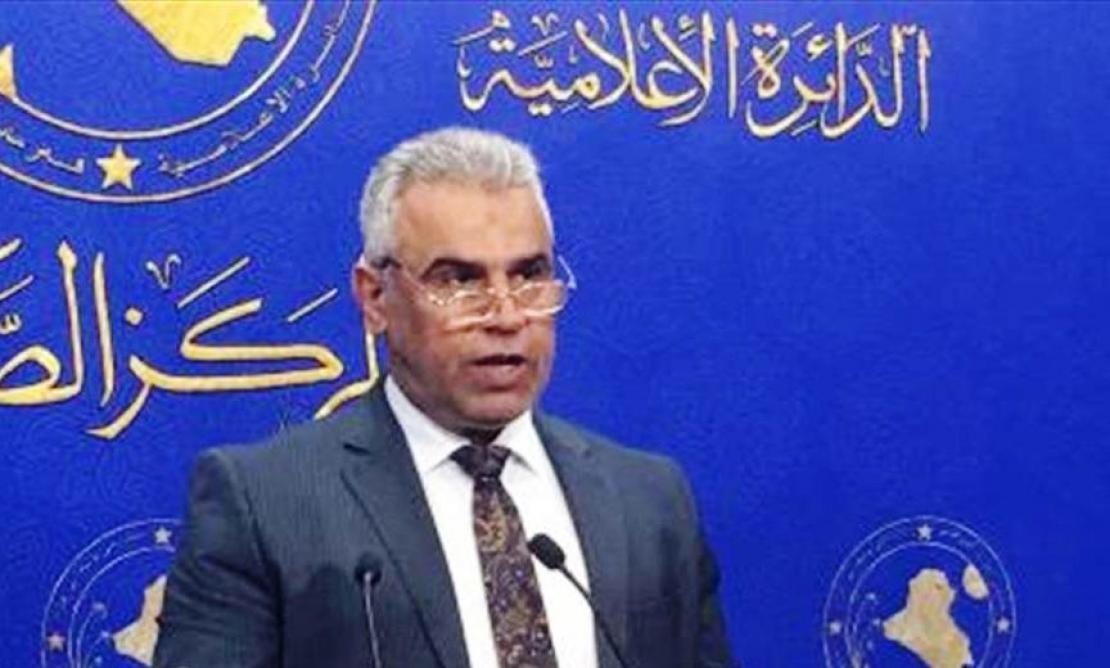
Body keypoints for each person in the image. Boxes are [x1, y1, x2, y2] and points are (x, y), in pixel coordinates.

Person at [153, 127, 733, 668]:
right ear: (375, 298)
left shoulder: (650, 500)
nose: (506, 315)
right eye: (459, 280)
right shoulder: (265, 505)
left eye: (529, 275)